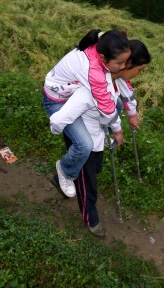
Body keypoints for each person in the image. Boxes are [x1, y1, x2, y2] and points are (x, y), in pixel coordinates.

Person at [50, 40, 152, 237]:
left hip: (97, 134)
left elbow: (126, 93)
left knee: (95, 168)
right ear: (126, 65)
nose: (139, 74)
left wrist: (131, 115)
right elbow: (104, 109)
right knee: (88, 181)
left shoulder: (118, 79)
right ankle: (92, 219)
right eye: (140, 70)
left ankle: (61, 176)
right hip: (82, 133)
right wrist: (118, 130)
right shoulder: (95, 82)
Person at [42, 29, 131, 198]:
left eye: (125, 62)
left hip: (73, 91)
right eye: (119, 63)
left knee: (117, 103)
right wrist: (118, 131)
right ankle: (65, 170)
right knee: (85, 145)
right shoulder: (91, 71)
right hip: (57, 102)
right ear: (104, 58)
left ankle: (101, 135)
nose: (123, 67)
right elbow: (106, 105)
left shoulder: (102, 45)